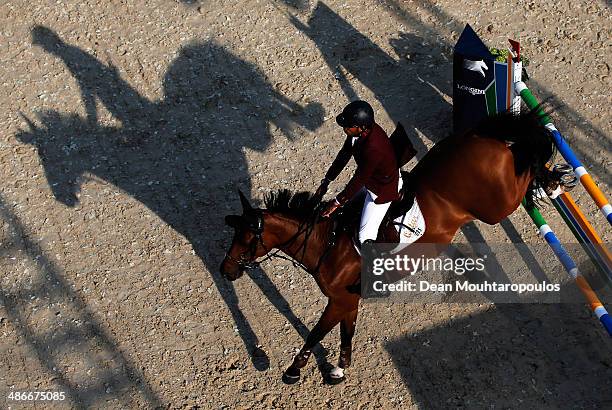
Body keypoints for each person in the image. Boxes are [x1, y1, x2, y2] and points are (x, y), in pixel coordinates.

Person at [316, 100, 402, 246]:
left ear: (360, 127)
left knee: (364, 237)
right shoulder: (357, 132)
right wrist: (327, 180)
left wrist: (336, 202)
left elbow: (360, 179)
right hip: (371, 179)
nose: (345, 128)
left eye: (348, 126)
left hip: (382, 190)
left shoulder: (374, 147)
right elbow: (344, 154)